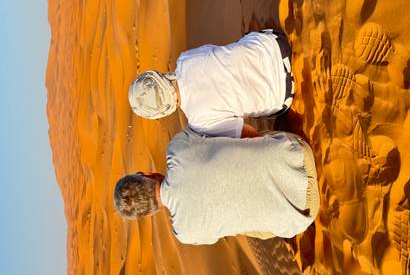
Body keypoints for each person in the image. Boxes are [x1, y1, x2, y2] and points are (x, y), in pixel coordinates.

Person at [114, 129, 320, 245]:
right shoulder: (176, 149)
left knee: (237, 224)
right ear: (146, 174)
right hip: (299, 156)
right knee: (234, 141)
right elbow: (230, 130)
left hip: (304, 213)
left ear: (149, 213)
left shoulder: (186, 234)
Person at [128, 29, 294, 138]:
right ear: (157, 76)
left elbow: (250, 135)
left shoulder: (199, 121)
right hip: (276, 45)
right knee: (238, 45)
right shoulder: (185, 59)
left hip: (282, 96)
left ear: (162, 112)